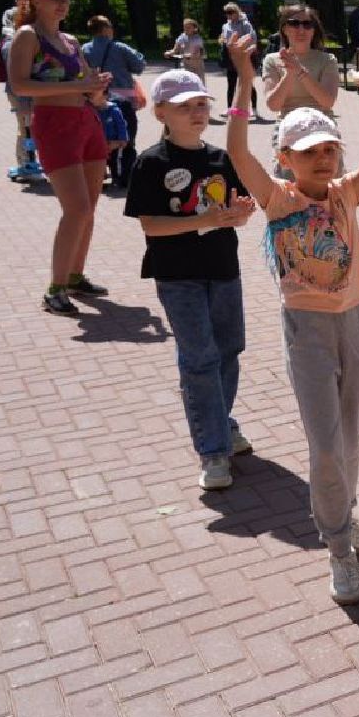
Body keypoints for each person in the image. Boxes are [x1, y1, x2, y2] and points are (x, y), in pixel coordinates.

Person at [225, 36, 359, 606]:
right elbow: (238, 156)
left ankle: (345, 517)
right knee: (324, 445)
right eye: (308, 152)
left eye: (328, 149)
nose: (322, 159)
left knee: (348, 438)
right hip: (307, 333)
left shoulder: (348, 193)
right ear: (286, 159)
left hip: (351, 324)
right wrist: (246, 78)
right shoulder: (278, 200)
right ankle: (338, 550)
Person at [124, 69, 256, 490]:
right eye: (185, 107)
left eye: (201, 104)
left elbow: (233, 210)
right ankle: (213, 451)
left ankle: (221, 421)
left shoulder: (220, 158)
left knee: (229, 349)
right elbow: (151, 226)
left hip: (223, 269)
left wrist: (240, 213)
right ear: (161, 112)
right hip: (178, 275)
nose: (197, 112)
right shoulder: (150, 163)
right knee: (200, 358)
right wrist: (203, 219)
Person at [7, 0, 118, 315]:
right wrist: (77, 84)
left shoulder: (70, 40)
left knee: (89, 211)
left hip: (86, 122)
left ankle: (74, 276)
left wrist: (97, 89)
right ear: (34, 0)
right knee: (77, 210)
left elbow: (87, 89)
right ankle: (54, 290)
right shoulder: (28, 36)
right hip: (53, 125)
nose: (62, 4)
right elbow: (20, 85)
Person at [262, 4, 340, 175]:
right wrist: (289, 74)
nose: (301, 29)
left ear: (313, 30)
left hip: (321, 124)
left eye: (307, 24)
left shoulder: (327, 60)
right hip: (288, 126)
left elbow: (327, 101)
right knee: (288, 187)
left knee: (329, 187)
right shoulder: (272, 60)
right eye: (294, 23)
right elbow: (274, 105)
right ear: (285, 29)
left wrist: (300, 72)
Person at [83, 15, 148, 188]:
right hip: (122, 100)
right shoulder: (119, 47)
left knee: (98, 138)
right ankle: (124, 177)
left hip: (95, 100)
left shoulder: (84, 49)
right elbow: (140, 66)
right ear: (105, 29)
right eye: (110, 26)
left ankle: (98, 174)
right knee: (125, 139)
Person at [218, 3, 260, 119]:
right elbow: (223, 37)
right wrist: (222, 40)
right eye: (227, 13)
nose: (229, 15)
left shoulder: (245, 24)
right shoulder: (226, 26)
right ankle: (229, 108)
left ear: (237, 12)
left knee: (248, 83)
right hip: (230, 57)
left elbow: (252, 38)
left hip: (243, 56)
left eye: (231, 12)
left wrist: (243, 45)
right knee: (231, 84)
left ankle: (254, 109)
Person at [167, 19, 208, 83]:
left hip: (197, 65)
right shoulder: (181, 37)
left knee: (199, 84)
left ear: (194, 28)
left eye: (188, 27)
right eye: (185, 27)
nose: (186, 29)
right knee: (186, 84)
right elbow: (175, 49)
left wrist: (194, 55)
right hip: (185, 65)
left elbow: (200, 52)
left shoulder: (198, 39)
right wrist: (170, 52)